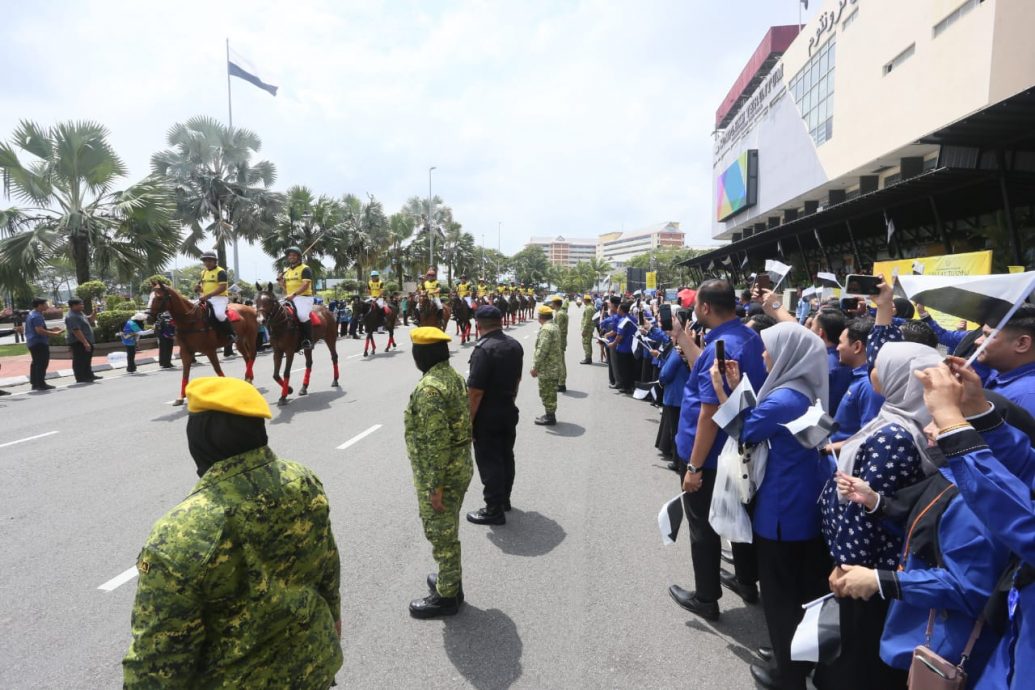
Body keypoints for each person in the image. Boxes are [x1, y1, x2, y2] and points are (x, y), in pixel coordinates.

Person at [122, 377, 342, 687]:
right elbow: (327, 569)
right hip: (314, 666)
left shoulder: (182, 531)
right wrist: (333, 622)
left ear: (199, 439)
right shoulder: (303, 480)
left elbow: (157, 664)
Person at [713, 322, 833, 690]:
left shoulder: (783, 399)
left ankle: (787, 676)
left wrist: (722, 391)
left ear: (787, 355)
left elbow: (744, 430)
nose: (764, 354)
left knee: (780, 597)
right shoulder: (803, 390)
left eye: (770, 348)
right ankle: (794, 657)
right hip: (803, 501)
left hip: (781, 508)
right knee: (802, 590)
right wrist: (738, 387)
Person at [819, 341, 944, 690]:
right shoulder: (906, 417)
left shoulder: (894, 437)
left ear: (901, 379)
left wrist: (846, 563)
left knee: (859, 649)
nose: (872, 370)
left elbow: (866, 513)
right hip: (885, 560)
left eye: (881, 365)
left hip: (870, 564)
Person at [669, 279, 767, 622]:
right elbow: (705, 373)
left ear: (706, 307)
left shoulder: (722, 345)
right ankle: (746, 581)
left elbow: (709, 414)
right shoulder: (745, 338)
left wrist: (693, 468)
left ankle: (706, 597)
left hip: (710, 455)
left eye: (696, 304)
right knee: (740, 517)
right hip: (738, 448)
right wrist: (682, 339)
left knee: (703, 528)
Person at [404, 327, 473, 618]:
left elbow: (437, 443)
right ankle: (450, 581)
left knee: (441, 534)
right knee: (448, 528)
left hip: (443, 474)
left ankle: (447, 597)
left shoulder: (429, 389)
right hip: (459, 465)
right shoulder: (452, 376)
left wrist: (435, 487)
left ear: (421, 355)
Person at [466, 305, 524, 525]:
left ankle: (493, 510)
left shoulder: (483, 349)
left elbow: (475, 392)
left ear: (477, 324)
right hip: (508, 409)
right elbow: (517, 380)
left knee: (490, 461)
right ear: (500, 321)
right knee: (506, 456)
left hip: (487, 415)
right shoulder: (514, 345)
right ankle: (503, 500)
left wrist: (468, 422)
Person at [828, 317, 884, 446]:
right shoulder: (858, 377)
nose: (837, 348)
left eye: (840, 342)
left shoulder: (869, 386)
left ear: (857, 346)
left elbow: (869, 437)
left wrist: (827, 449)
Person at [975, 304, 1035, 417]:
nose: (977, 341)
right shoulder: (1000, 370)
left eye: (988, 336)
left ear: (1022, 343)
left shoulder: (1029, 397)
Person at [810, 309, 853, 416]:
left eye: (812, 326)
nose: (809, 330)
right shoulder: (846, 358)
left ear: (820, 333)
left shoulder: (824, 364)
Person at [531, 304, 562, 426]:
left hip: (547, 368)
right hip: (553, 366)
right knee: (550, 391)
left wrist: (535, 367)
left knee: (547, 392)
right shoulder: (554, 326)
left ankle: (550, 417)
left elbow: (542, 350)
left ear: (541, 317)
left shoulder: (546, 329)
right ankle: (549, 414)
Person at [278, 247, 315, 349]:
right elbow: (286, 289)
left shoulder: (305, 269)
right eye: (289, 255)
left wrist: (293, 295)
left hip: (303, 297)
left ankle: (309, 340)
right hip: (289, 297)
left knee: (302, 316)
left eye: (294, 255)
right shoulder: (287, 271)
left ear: (299, 257)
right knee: (275, 312)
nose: (291, 257)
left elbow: (305, 285)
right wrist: (281, 282)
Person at [195, 251, 234, 344]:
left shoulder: (221, 272)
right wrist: (199, 289)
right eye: (205, 261)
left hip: (219, 298)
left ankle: (231, 334)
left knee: (219, 315)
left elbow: (222, 288)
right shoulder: (203, 272)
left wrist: (207, 296)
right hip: (206, 298)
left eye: (210, 260)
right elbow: (204, 289)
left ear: (215, 261)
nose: (207, 263)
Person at [26, 298, 62, 391]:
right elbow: (39, 331)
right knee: (42, 363)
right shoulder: (37, 316)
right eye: (46, 304)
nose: (47, 305)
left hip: (32, 342)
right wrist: (54, 334)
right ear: (40, 305)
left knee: (36, 363)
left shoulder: (32, 314)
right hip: (39, 342)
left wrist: (51, 329)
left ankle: (35, 383)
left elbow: (37, 329)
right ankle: (40, 384)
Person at [64, 298, 100, 383]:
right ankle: (81, 377)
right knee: (80, 360)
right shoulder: (72, 316)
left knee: (87, 359)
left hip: (86, 340)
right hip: (78, 341)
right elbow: (76, 330)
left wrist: (94, 313)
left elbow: (89, 319)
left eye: (82, 304)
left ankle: (89, 375)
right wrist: (85, 342)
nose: (82, 306)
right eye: (80, 304)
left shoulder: (80, 313)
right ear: (73, 306)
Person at [607, 302, 638, 394]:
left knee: (623, 369)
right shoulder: (634, 319)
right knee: (630, 368)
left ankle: (625, 387)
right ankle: (630, 386)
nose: (617, 310)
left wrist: (613, 344)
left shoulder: (622, 320)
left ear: (621, 310)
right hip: (632, 347)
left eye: (618, 308)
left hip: (623, 348)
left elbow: (619, 335)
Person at [548, 295, 569, 392]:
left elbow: (558, 329)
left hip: (559, 341)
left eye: (552, 303)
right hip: (560, 340)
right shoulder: (560, 312)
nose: (551, 304)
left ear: (555, 304)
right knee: (559, 361)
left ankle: (561, 384)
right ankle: (560, 381)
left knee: (560, 362)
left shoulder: (560, 314)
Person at [579, 294, 595, 364]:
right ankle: (588, 358)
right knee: (588, 343)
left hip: (588, 329)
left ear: (585, 300)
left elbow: (587, 320)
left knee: (586, 343)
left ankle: (588, 358)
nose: (583, 301)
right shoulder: (591, 307)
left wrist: (584, 330)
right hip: (590, 328)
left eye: (583, 300)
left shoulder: (589, 308)